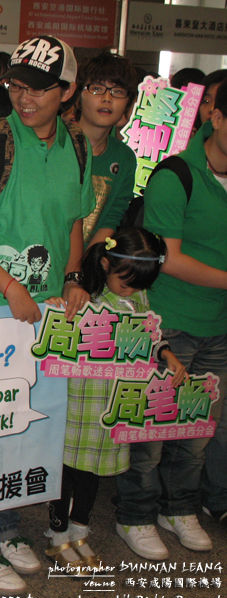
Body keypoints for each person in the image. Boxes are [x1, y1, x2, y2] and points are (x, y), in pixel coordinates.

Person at [0, 35, 95, 595]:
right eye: (16, 86)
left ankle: (6, 527)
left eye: (38, 89)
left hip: (47, 311)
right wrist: (9, 287)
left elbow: (73, 222)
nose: (24, 98)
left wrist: (73, 277)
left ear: (67, 92)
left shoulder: (77, 146)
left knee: (23, 427)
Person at [115, 78, 227, 558]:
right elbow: (169, 258)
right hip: (169, 321)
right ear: (215, 117)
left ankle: (179, 508)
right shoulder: (176, 174)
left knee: (196, 429)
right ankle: (135, 514)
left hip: (218, 325)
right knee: (151, 432)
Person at [43, 228, 186, 572]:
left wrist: (166, 353)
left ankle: (80, 530)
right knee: (68, 469)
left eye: (139, 286)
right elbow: (58, 327)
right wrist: (55, 308)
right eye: (126, 283)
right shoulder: (86, 299)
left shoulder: (138, 300)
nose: (132, 290)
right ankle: (57, 533)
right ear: (106, 264)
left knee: (93, 471)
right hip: (81, 402)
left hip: (113, 405)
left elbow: (150, 333)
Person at [68, 51, 138, 245]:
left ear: (128, 103)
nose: (107, 98)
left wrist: (89, 259)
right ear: (78, 96)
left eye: (118, 91)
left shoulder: (124, 158)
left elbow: (112, 217)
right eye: (97, 89)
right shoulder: (56, 141)